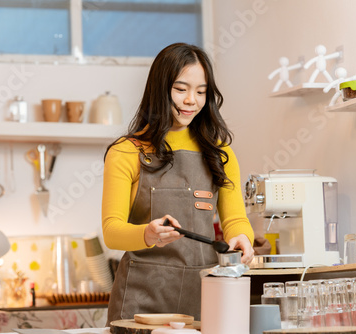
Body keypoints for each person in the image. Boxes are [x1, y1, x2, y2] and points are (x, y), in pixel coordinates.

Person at [101, 42, 255, 324]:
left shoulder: (220, 152)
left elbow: (235, 219)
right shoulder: (126, 151)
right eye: (181, 89)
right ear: (160, 89)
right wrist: (147, 234)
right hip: (140, 303)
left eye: (201, 92)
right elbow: (111, 231)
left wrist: (242, 238)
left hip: (203, 296)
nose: (191, 101)